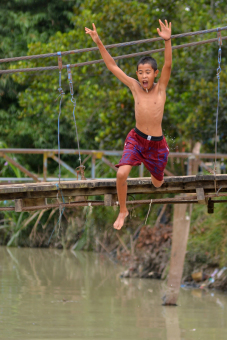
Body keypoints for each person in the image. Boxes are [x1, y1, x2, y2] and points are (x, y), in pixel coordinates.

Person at [85, 19, 172, 230]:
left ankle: (155, 172)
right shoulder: (134, 86)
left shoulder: (161, 89)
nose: (143, 76)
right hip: (136, 139)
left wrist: (168, 41)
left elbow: (168, 64)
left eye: (147, 72)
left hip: (157, 145)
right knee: (121, 173)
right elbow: (112, 65)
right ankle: (123, 209)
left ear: (155, 74)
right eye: (140, 72)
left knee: (158, 183)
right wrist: (98, 42)